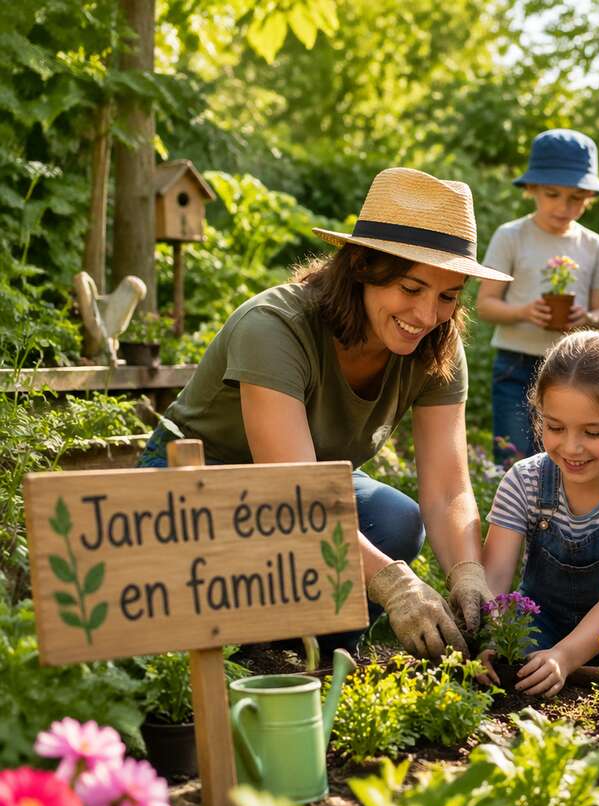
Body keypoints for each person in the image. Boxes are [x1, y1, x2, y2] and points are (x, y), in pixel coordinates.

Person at [138, 167, 509, 659]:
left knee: (397, 521)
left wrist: (468, 572)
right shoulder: (274, 328)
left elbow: (447, 489)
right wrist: (396, 585)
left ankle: (322, 659)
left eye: (447, 296)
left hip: (302, 493)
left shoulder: (436, 346)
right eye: (410, 288)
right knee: (237, 597)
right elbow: (294, 491)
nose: (426, 315)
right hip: (198, 486)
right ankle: (252, 651)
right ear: (361, 267)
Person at [481, 330, 599, 696]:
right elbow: (494, 579)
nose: (571, 447)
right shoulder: (524, 481)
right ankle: (575, 673)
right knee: (516, 649)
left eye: (592, 432)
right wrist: (490, 637)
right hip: (546, 622)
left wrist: (565, 656)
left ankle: (585, 671)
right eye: (555, 427)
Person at [476, 129, 599, 466]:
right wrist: (524, 312)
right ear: (532, 189)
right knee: (513, 454)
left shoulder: (594, 245)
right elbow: (485, 304)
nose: (564, 207)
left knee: (563, 454)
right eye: (553, 194)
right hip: (515, 362)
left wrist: (587, 320)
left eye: (577, 198)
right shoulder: (512, 236)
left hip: (573, 367)